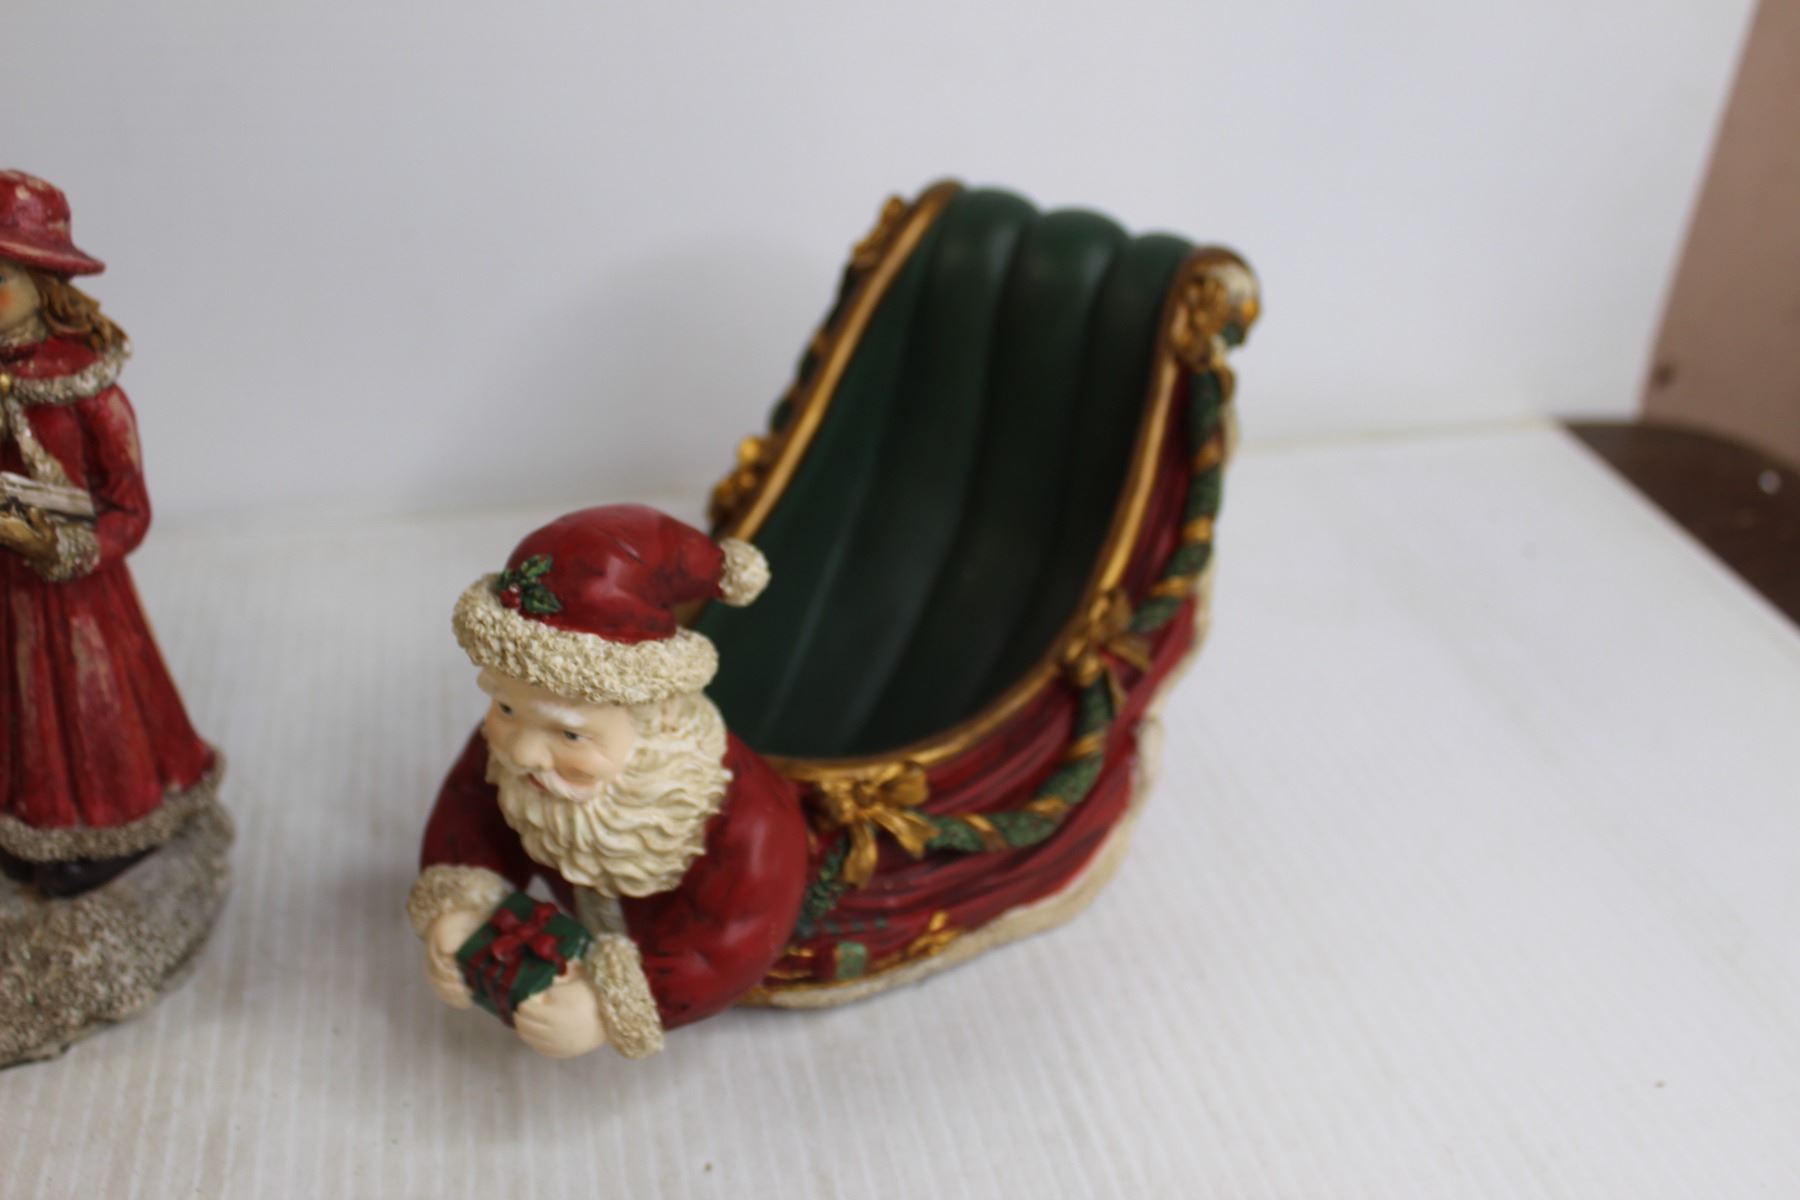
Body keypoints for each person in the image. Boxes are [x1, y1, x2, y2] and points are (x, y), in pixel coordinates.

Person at [408, 504, 809, 1058]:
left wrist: (613, 1005)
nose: (522, 752)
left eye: (571, 734)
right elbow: (470, 821)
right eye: (505, 706)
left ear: (659, 716)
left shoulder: (747, 817)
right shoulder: (512, 754)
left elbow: (729, 937)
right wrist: (465, 908)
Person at [0, 170, 220, 897]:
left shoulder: (89, 391)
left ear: (45, 286)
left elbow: (130, 509)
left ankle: (101, 829)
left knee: (88, 717)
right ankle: (22, 823)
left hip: (76, 604)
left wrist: (75, 547)